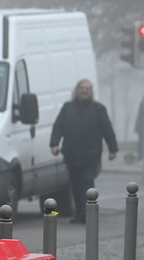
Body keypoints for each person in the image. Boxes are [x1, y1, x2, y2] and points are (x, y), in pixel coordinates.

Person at [50, 79, 118, 224]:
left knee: (87, 183)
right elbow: (58, 127)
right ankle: (79, 213)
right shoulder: (68, 108)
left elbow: (107, 130)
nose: (85, 90)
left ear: (91, 91)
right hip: (72, 155)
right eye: (82, 88)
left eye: (87, 88)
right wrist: (54, 144)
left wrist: (113, 149)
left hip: (91, 156)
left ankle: (88, 213)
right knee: (75, 185)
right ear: (77, 90)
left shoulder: (98, 109)